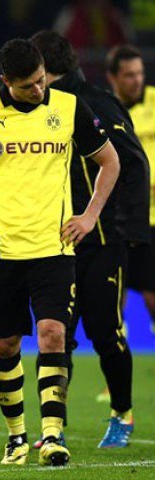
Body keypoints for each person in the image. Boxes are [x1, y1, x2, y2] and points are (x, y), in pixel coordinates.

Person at [0, 39, 119, 466]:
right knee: (6, 346)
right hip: (2, 251)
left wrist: (88, 217)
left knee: (53, 334)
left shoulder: (68, 107)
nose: (37, 91)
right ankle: (16, 436)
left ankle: (52, 435)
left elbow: (110, 161)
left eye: (40, 81)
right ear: (5, 82)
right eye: (27, 87)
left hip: (55, 248)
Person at [31, 30, 149, 449]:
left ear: (45, 69)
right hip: (52, 243)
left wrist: (128, 229)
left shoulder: (95, 103)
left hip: (101, 240)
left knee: (105, 332)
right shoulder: (34, 108)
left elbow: (133, 164)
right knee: (55, 332)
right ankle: (52, 426)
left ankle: (122, 414)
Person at [106, 45, 155, 333]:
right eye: (128, 75)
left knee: (152, 296)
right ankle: (117, 372)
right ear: (113, 78)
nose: (137, 80)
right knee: (113, 299)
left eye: (140, 74)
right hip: (120, 217)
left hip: (152, 219)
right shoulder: (105, 110)